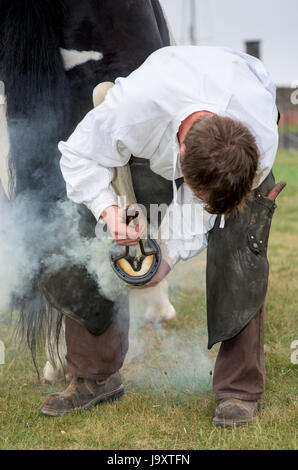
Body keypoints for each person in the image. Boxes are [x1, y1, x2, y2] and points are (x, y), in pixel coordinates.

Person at [42, 45, 280, 426]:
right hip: (155, 130)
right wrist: (111, 212)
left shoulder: (260, 134)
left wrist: (166, 255)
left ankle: (239, 390)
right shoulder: (133, 108)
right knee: (87, 222)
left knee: (242, 242)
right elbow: (76, 156)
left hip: (234, 144)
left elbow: (201, 209)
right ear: (182, 155)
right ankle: (94, 374)